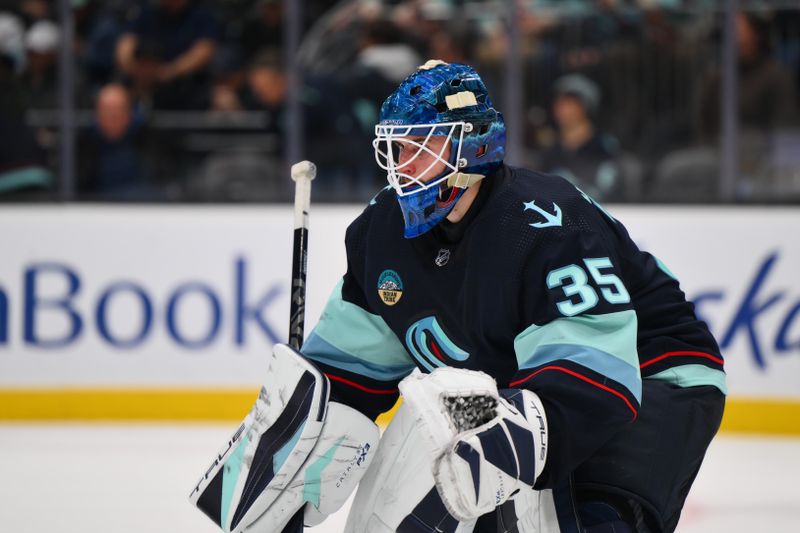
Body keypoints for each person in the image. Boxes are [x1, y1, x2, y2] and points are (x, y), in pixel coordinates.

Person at [191, 61, 726, 533]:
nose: (401, 164)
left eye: (418, 146)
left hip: (655, 375)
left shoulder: (546, 224)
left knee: (584, 519)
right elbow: (347, 376)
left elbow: (597, 377)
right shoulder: (383, 232)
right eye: (395, 147)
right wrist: (293, 446)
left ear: (472, 147)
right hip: (525, 387)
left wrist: (512, 442)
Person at [539, 74, 623, 202]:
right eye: (559, 102)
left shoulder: (606, 148)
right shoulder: (550, 153)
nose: (562, 108)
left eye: (570, 103)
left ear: (585, 107)